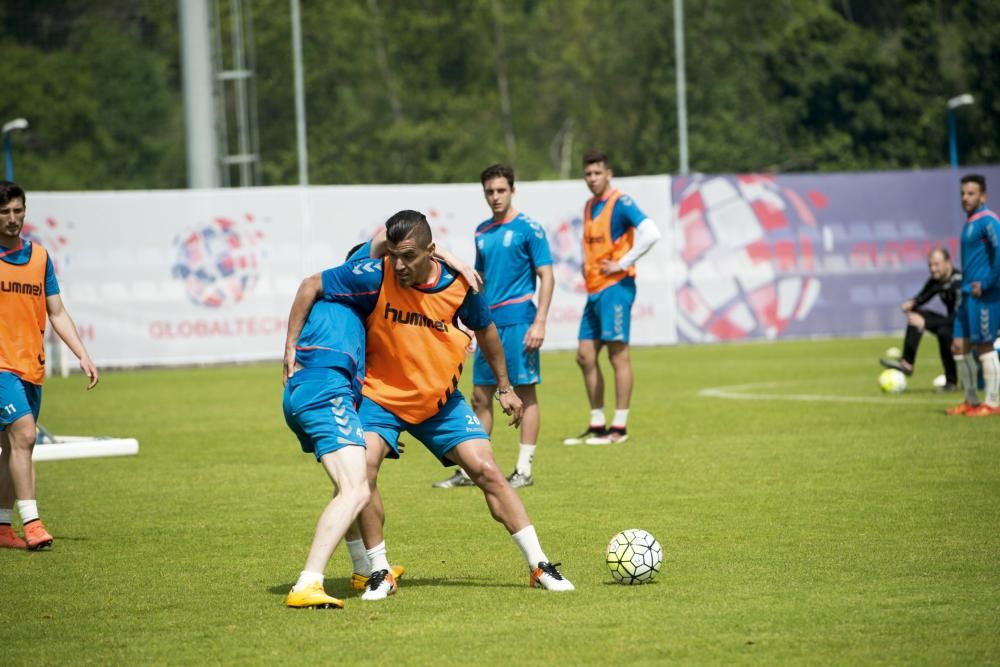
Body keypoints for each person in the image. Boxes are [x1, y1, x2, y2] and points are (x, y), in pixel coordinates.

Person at [287, 210, 574, 601]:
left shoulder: (460, 287)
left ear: (430, 251)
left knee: (487, 468)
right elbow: (313, 284)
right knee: (362, 472)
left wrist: (505, 387)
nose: (400, 265)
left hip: (439, 401)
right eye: (394, 255)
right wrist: (290, 347)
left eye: (408, 256)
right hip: (380, 398)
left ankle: (539, 564)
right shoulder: (375, 272)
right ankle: (379, 570)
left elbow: (487, 331)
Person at [433, 164, 554, 490]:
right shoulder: (482, 231)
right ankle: (472, 468)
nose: (495, 196)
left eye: (501, 190)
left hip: (519, 320)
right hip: (489, 323)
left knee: (524, 392)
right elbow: (480, 282)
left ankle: (523, 470)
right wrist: (471, 323)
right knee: (479, 396)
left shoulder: (530, 228)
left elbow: (547, 275)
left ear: (512, 190)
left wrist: (540, 321)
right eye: (490, 191)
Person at [0, 181, 99, 550]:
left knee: (12, 448)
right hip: (1, 368)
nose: (12, 219)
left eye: (17, 210)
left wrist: (82, 354)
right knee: (25, 435)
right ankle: (34, 523)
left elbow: (56, 310)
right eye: (4, 212)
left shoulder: (40, 258)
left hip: (31, 366)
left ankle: (2, 527)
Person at [563, 151, 661, 446]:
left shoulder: (622, 203)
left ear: (609, 174)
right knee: (585, 355)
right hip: (594, 289)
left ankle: (619, 428)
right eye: (588, 174)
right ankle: (597, 423)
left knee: (617, 355)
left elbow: (651, 233)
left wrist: (622, 262)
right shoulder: (589, 206)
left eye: (597, 173)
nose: (592, 178)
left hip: (616, 286)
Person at [946, 174, 1000, 417]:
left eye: (971, 193)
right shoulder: (970, 223)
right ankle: (971, 400)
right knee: (959, 346)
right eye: (962, 194)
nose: (965, 198)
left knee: (985, 346)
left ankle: (993, 401)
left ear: (983, 196)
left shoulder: (988, 220)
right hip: (967, 294)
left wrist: (987, 283)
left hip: (984, 294)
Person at [879, 248, 962, 391]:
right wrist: (912, 303)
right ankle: (907, 363)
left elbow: (959, 318)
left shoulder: (959, 282)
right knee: (916, 314)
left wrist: (926, 323)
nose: (933, 269)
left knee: (944, 332)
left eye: (936, 264)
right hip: (951, 322)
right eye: (930, 265)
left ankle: (951, 382)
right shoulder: (936, 280)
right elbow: (923, 296)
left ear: (948, 262)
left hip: (966, 325)